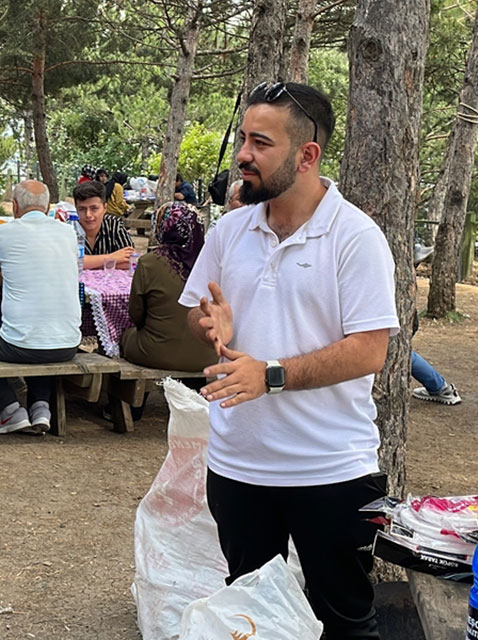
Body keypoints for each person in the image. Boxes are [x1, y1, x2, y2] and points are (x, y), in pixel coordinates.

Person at [179, 81, 398, 639]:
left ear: (307, 155)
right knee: (251, 617)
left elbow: (370, 351)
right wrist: (210, 325)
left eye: (261, 142)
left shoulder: (355, 238)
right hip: (238, 466)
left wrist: (270, 375)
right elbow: (194, 315)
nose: (243, 155)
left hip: (331, 469)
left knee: (344, 619)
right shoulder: (230, 231)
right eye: (244, 140)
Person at [0, 180, 80, 434]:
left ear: (14, 206)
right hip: (69, 344)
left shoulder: (5, 232)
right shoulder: (68, 232)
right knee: (43, 335)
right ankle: (41, 407)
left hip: (21, 344)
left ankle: (10, 410)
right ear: (47, 206)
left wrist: (17, 273)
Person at [121, 201, 219, 372]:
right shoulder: (212, 262)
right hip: (209, 357)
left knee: (123, 336)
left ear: (162, 227)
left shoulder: (149, 263)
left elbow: (136, 314)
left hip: (157, 353)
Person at [73, 180, 133, 270]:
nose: (88, 215)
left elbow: (130, 261)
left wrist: (86, 263)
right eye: (82, 209)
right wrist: (112, 257)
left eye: (94, 208)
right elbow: (67, 262)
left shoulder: (115, 225)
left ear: (105, 208)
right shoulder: (69, 229)